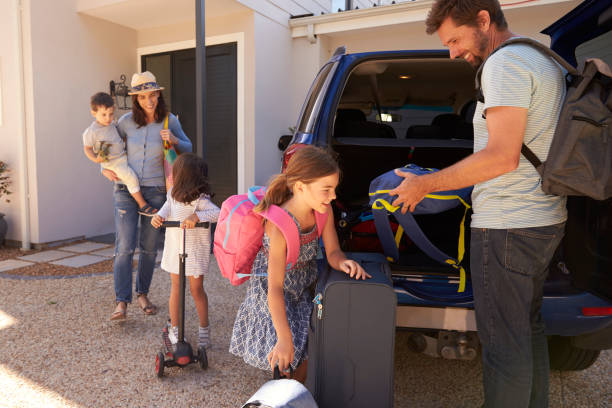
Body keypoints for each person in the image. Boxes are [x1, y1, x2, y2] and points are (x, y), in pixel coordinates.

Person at [390, 1, 567, 406]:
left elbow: (501, 156)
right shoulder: (541, 59)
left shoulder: (504, 65)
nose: (452, 52)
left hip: (507, 227)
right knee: (528, 329)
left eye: (455, 38)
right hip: (543, 219)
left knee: (505, 346)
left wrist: (425, 185)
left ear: (484, 21)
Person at [229, 146, 371, 383]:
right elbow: (274, 288)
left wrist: (344, 262)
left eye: (334, 189)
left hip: (303, 286)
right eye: (326, 190)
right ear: (300, 187)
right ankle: (284, 390)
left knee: (307, 346)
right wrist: (283, 338)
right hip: (273, 292)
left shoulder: (323, 211)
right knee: (287, 351)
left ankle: (296, 389)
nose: (333, 196)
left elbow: (334, 251)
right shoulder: (278, 226)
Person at [103, 71, 192, 321]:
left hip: (156, 191)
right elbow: (108, 148)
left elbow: (188, 147)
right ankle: (122, 302)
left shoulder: (169, 120)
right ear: (136, 99)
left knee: (150, 248)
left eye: (153, 95)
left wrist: (174, 139)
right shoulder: (124, 122)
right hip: (125, 190)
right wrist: (104, 168)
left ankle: (142, 293)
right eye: (143, 97)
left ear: (158, 95)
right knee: (124, 247)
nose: (149, 101)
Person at [151, 153, 220, 349]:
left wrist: (197, 216)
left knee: (196, 289)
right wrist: (158, 217)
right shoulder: (172, 193)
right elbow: (165, 209)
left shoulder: (201, 199)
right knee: (176, 288)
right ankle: (174, 328)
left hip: (194, 251)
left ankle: (204, 330)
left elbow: (218, 213)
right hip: (176, 249)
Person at [83, 92, 158, 216]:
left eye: (111, 114)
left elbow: (119, 138)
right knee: (131, 178)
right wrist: (97, 161)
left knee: (132, 175)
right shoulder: (92, 132)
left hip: (122, 157)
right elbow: (87, 148)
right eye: (104, 115)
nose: (108, 118)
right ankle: (142, 204)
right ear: (94, 113)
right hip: (113, 163)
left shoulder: (112, 124)